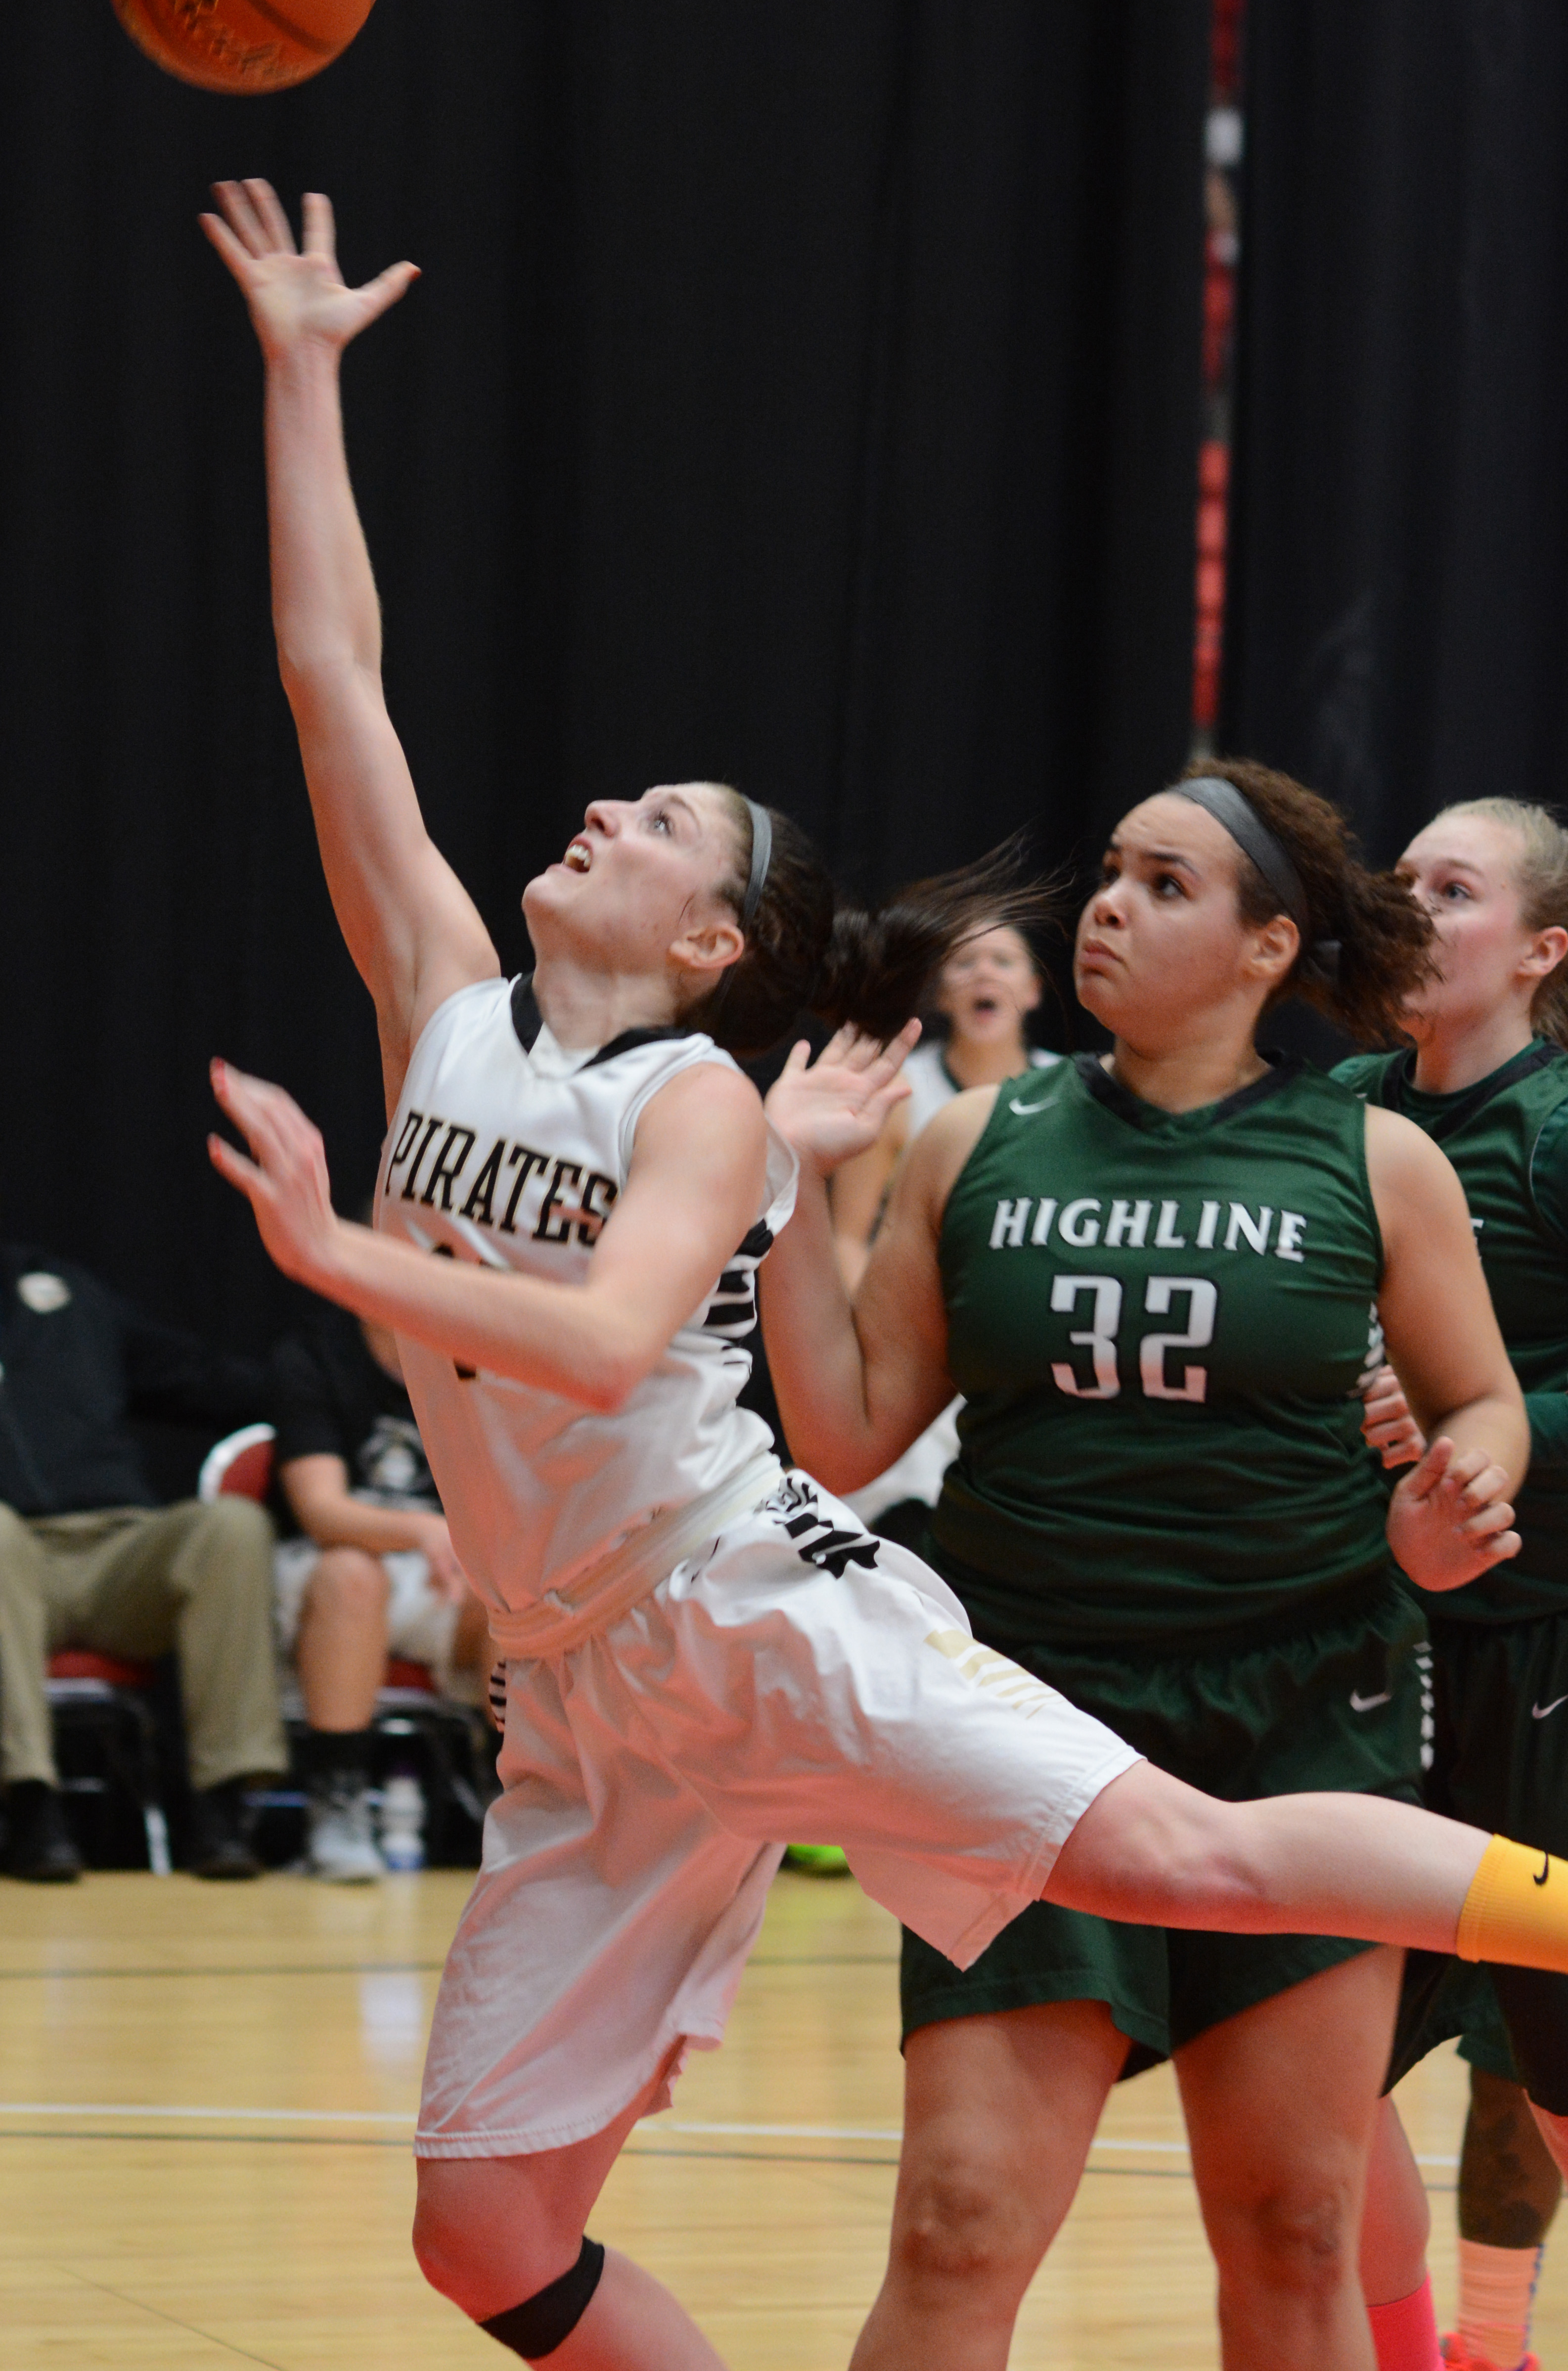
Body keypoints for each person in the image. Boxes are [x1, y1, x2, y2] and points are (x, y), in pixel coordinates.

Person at [201, 181, 1568, 2371]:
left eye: (661, 821)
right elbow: (325, 671)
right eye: (619, 797)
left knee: (1194, 1869)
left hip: (744, 1604)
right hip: (574, 1690)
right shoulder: (445, 1014)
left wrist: (338, 1249)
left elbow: (608, 1336)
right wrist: (298, 370)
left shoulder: (699, 1108)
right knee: (477, 2234)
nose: (606, 807)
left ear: (716, 944)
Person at [758, 758, 1542, 2371]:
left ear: (1269, 946)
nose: (1108, 903)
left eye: (1166, 882)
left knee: (1294, 2224)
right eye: (1112, 870)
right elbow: (841, 1439)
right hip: (1032, 1714)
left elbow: (1476, 1398)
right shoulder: (979, 1135)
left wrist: (1458, 1493)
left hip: (1303, 1706)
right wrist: (781, 1194)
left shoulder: (1377, 1157)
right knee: (959, 2217)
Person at [1338, 799, 1568, 2371]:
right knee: (1304, 2056)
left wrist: (1485, 1437)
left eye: (1454, 888)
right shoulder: (1338, 1110)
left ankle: (1496, 2338)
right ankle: (1425, 2354)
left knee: (1545, 2066)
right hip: (1370, 1645)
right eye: (1398, 878)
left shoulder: (1554, 1127)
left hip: (1541, 1642)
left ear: (1540, 951)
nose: (1408, 908)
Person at [0, 1238, 286, 1881]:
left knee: (230, 1528)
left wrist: (317, 1382)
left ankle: (223, 1805)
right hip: (13, 1561)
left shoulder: (67, 1295)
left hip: (118, 1553)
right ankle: (30, 1807)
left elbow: (201, 1377)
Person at [829, 918, 1057, 1538]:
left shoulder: (1078, 1091)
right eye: (965, 963)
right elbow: (848, 1238)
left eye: (1004, 961)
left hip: (1032, 1349)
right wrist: (878, 1337)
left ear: (1034, 990)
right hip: (922, 1346)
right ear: (941, 994)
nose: (984, 973)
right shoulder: (900, 1094)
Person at [271, 1295, 494, 1881]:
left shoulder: (478, 1361)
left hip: (444, 1575)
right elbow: (323, 1511)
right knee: (353, 1577)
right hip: (328, 1568)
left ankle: (524, 1797)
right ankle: (338, 1801)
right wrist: (422, 1529)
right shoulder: (316, 1355)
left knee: (521, 1590)